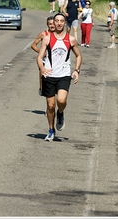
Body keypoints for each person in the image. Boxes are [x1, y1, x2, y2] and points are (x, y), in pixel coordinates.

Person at [36, 13, 82, 142]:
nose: (59, 23)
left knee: (61, 101)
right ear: (54, 23)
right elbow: (39, 57)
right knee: (51, 106)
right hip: (49, 75)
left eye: (62, 21)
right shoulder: (47, 39)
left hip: (64, 75)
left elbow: (78, 55)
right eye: (57, 21)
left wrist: (77, 70)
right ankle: (51, 130)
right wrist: (43, 69)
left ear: (65, 22)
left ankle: (60, 113)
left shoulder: (71, 39)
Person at [31, 16, 55, 96]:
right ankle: (42, 88)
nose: (52, 26)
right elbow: (33, 45)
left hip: (55, 60)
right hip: (44, 59)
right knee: (43, 76)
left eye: (53, 24)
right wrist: (41, 52)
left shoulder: (59, 34)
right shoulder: (43, 34)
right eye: (50, 24)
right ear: (47, 25)